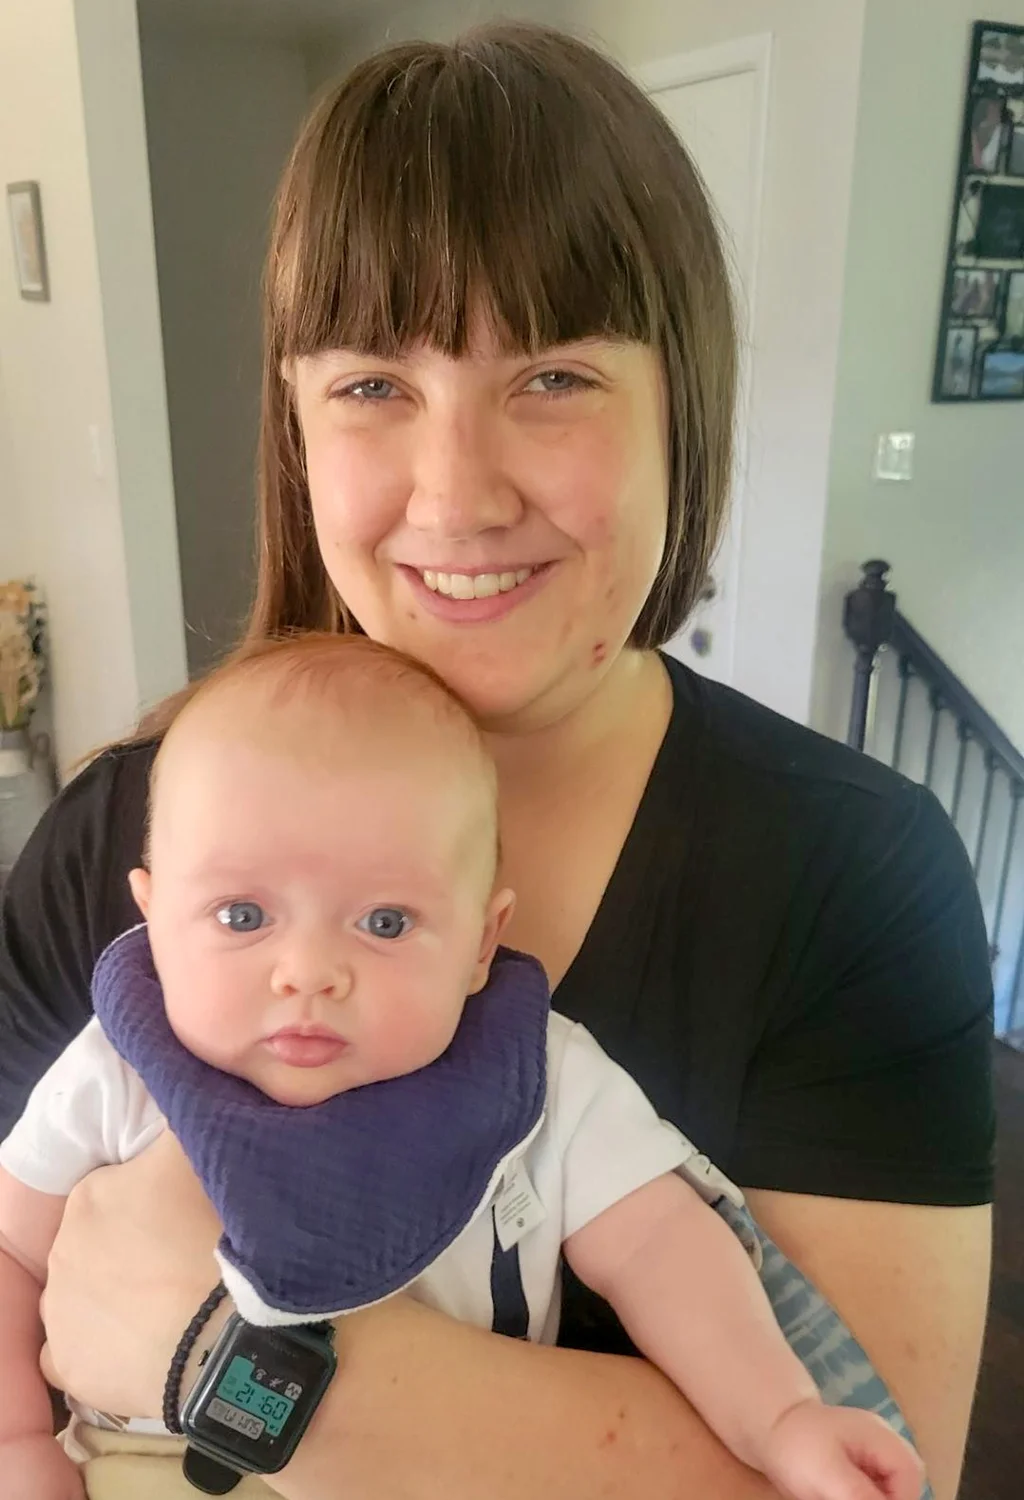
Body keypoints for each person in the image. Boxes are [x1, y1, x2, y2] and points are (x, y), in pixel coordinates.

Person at [0, 21, 992, 1500]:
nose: (456, 495)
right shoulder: (109, 844)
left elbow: (874, 1472)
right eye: (372, 386)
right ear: (295, 423)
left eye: (553, 377)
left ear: (681, 407)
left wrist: (230, 1360)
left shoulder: (850, 876)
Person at [0, 634, 925, 1500]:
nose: (308, 973)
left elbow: (662, 1246)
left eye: (386, 922)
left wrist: (780, 1416)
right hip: (144, 1469)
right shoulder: (118, 1070)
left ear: (484, 942)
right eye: (242, 916)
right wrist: (15, 1441)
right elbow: (9, 1250)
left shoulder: (534, 1080)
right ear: (154, 917)